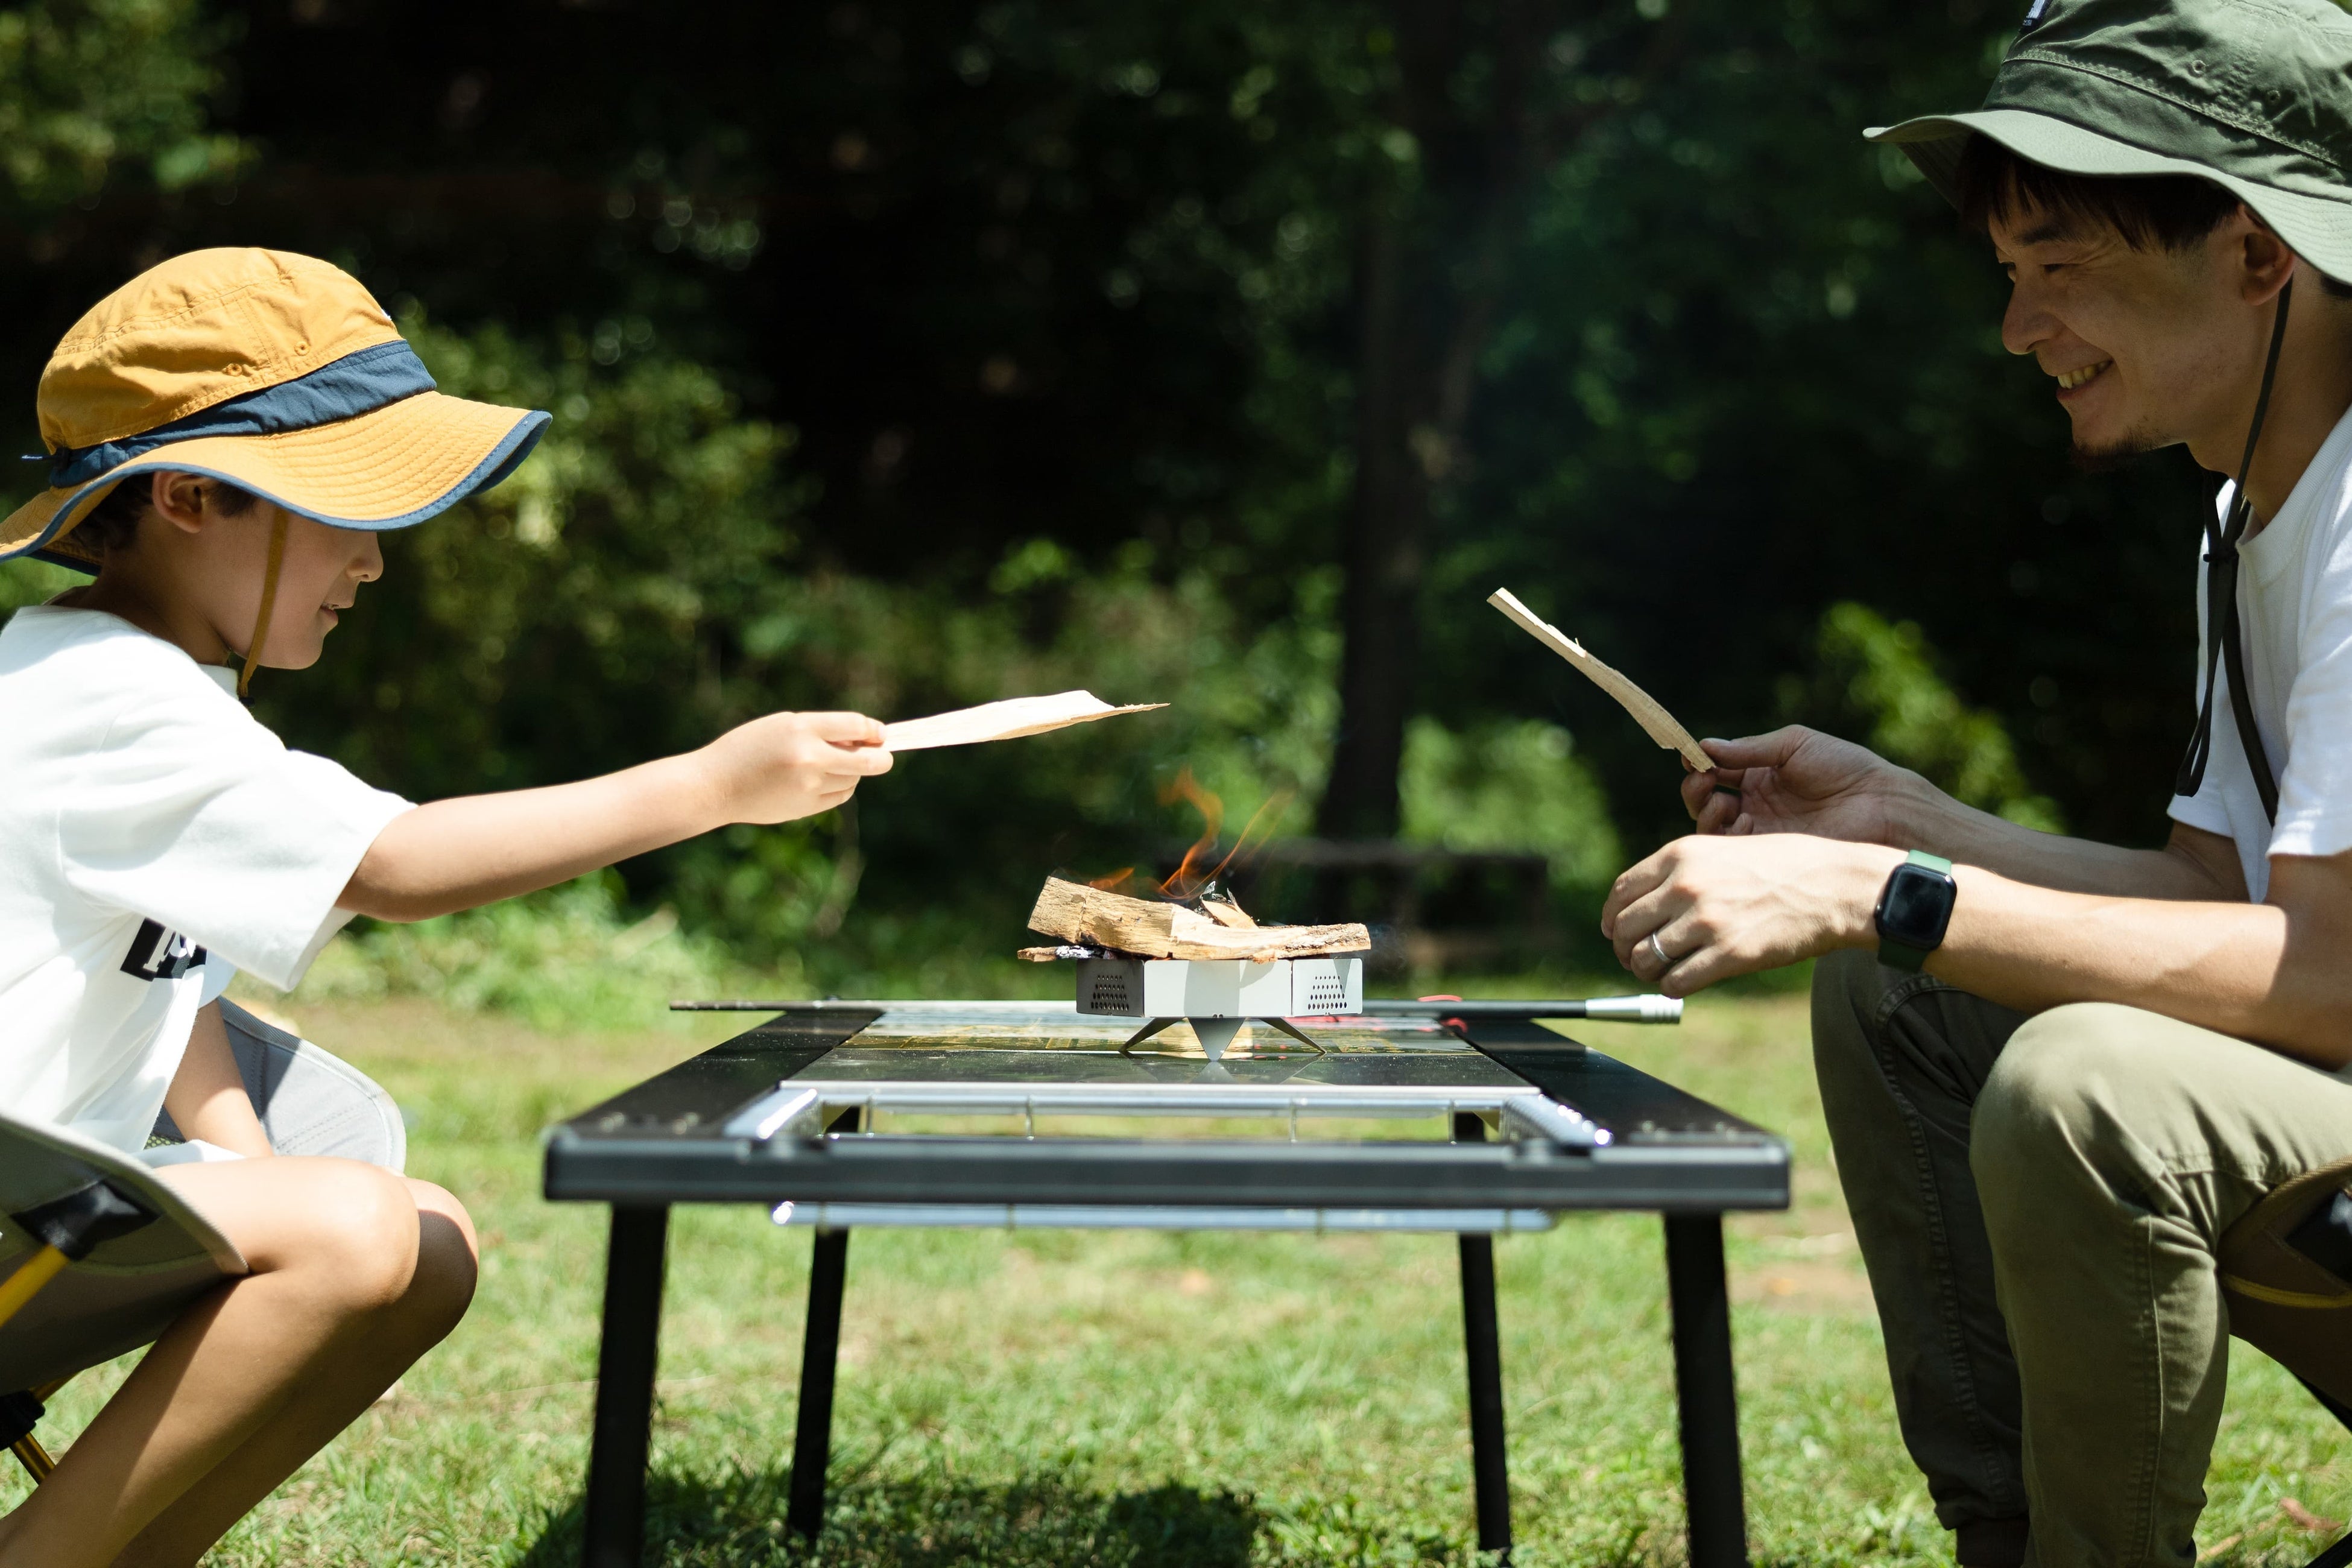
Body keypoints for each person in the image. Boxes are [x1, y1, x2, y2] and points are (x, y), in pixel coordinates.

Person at [1596, 2, 2352, 1564]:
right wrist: (1912, 832)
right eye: (2010, 274)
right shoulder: (2248, 520)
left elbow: (2333, 979)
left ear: (2258, 250)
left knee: (2088, 1084)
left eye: (2057, 265)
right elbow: (2219, 899)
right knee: (1902, 992)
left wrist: (1882, 888)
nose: (2018, 330)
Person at [0, 248, 894, 1567]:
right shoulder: (101, 695)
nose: (373, 559)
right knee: (364, 1228)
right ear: (189, 496)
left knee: (426, 1244)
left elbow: (170, 986)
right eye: (343, 509)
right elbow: (401, 865)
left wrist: (251, 1167)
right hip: (23, 1213)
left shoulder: (134, 683)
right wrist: (711, 785)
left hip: (37, 1212)